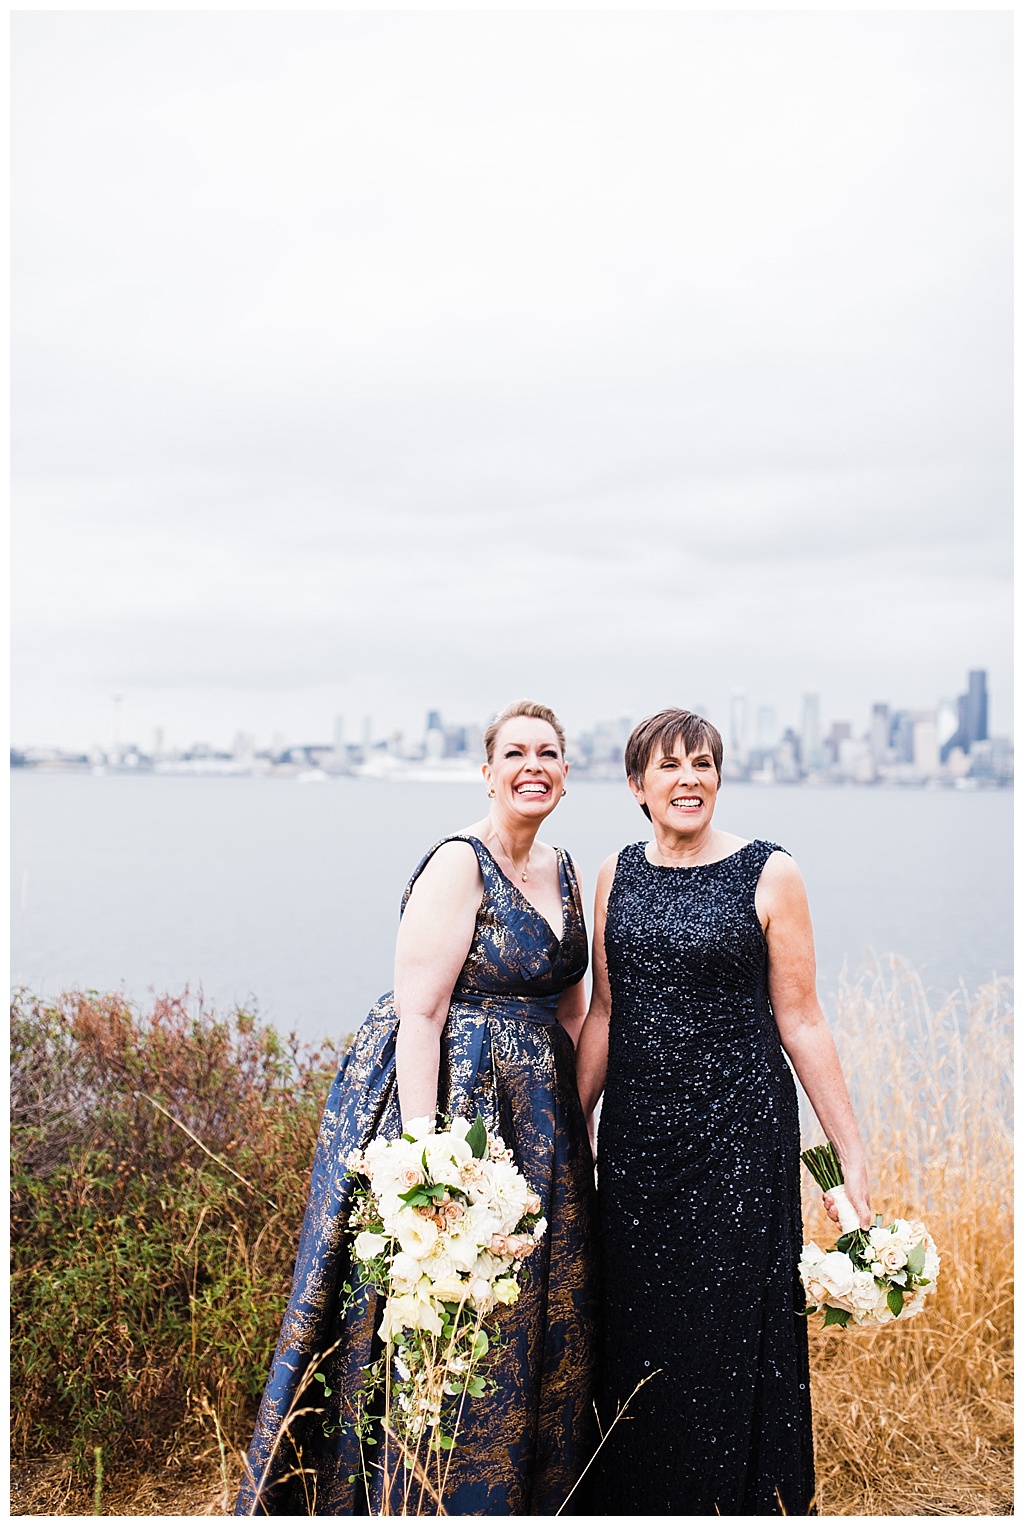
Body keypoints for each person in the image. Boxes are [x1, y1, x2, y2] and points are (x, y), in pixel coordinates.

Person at [236, 699, 598, 1516]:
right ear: (488, 771)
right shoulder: (458, 863)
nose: (532, 766)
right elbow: (421, 1013)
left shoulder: (570, 870)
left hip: (541, 1123)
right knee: (434, 1292)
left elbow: (574, 1012)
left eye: (548, 753)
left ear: (566, 776)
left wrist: (573, 1137)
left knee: (521, 1306)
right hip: (450, 1101)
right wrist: (427, 1159)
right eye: (515, 753)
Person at [575, 708, 870, 1517]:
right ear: (638, 786)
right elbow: (605, 1013)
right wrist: (571, 1132)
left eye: (703, 764)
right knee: (638, 1327)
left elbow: (802, 1019)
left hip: (739, 1138)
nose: (690, 779)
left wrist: (849, 1161)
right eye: (670, 767)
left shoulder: (770, 873)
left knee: (729, 1333)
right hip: (638, 1141)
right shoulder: (614, 875)